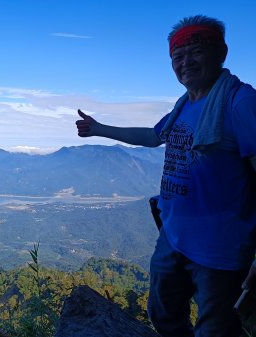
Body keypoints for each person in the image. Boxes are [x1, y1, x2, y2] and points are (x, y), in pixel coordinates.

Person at [75, 15, 256, 337]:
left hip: (221, 247)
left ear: (221, 52)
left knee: (216, 329)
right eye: (178, 56)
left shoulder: (240, 102)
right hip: (173, 235)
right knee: (163, 314)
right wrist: (99, 129)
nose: (185, 61)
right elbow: (153, 136)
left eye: (195, 51)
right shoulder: (184, 105)